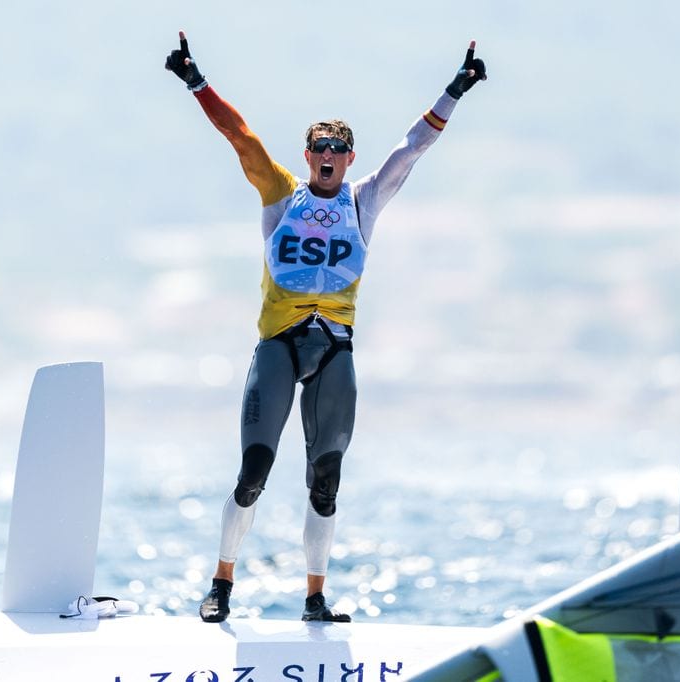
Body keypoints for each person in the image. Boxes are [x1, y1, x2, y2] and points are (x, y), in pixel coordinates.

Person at [164, 31, 486, 623]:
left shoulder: (365, 200)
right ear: (309, 155)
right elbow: (241, 139)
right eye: (320, 148)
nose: (329, 155)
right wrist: (196, 82)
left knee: (326, 479)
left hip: (335, 347)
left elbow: (413, 148)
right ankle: (222, 585)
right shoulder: (280, 194)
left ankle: (314, 598)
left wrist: (455, 90)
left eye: (338, 147)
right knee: (254, 470)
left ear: (349, 158)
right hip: (280, 345)